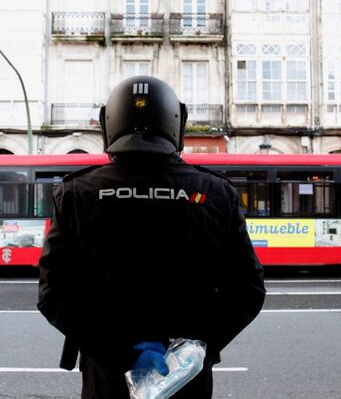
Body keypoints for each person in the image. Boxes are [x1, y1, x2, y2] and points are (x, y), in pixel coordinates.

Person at [37, 76, 266, 398]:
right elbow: (248, 289)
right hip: (185, 376)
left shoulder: (77, 194)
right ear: (177, 122)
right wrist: (194, 348)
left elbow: (54, 294)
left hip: (107, 375)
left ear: (108, 123)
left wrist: (121, 353)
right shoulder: (216, 193)